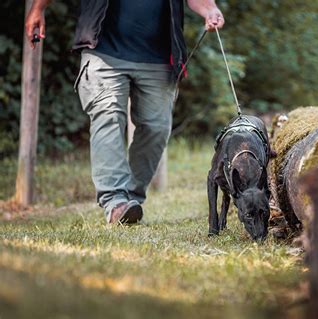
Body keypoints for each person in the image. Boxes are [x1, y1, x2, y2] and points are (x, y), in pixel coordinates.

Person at [25, 0, 224, 224]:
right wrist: (38, 8)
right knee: (108, 116)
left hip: (159, 57)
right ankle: (115, 202)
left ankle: (130, 198)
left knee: (156, 128)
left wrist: (210, 10)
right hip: (103, 50)